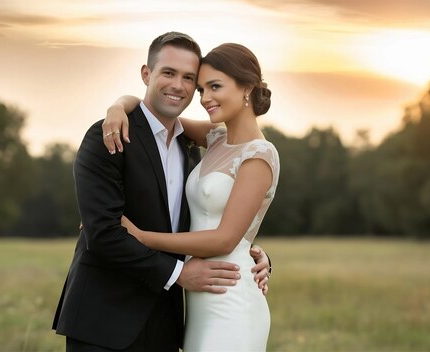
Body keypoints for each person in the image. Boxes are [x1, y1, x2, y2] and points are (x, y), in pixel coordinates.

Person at [52, 32, 271, 352]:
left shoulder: (193, 146)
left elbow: (210, 220)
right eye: (168, 73)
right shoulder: (110, 135)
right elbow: (102, 234)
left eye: (190, 79)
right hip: (103, 321)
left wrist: (253, 252)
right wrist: (179, 272)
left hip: (166, 326)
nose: (179, 86)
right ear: (146, 74)